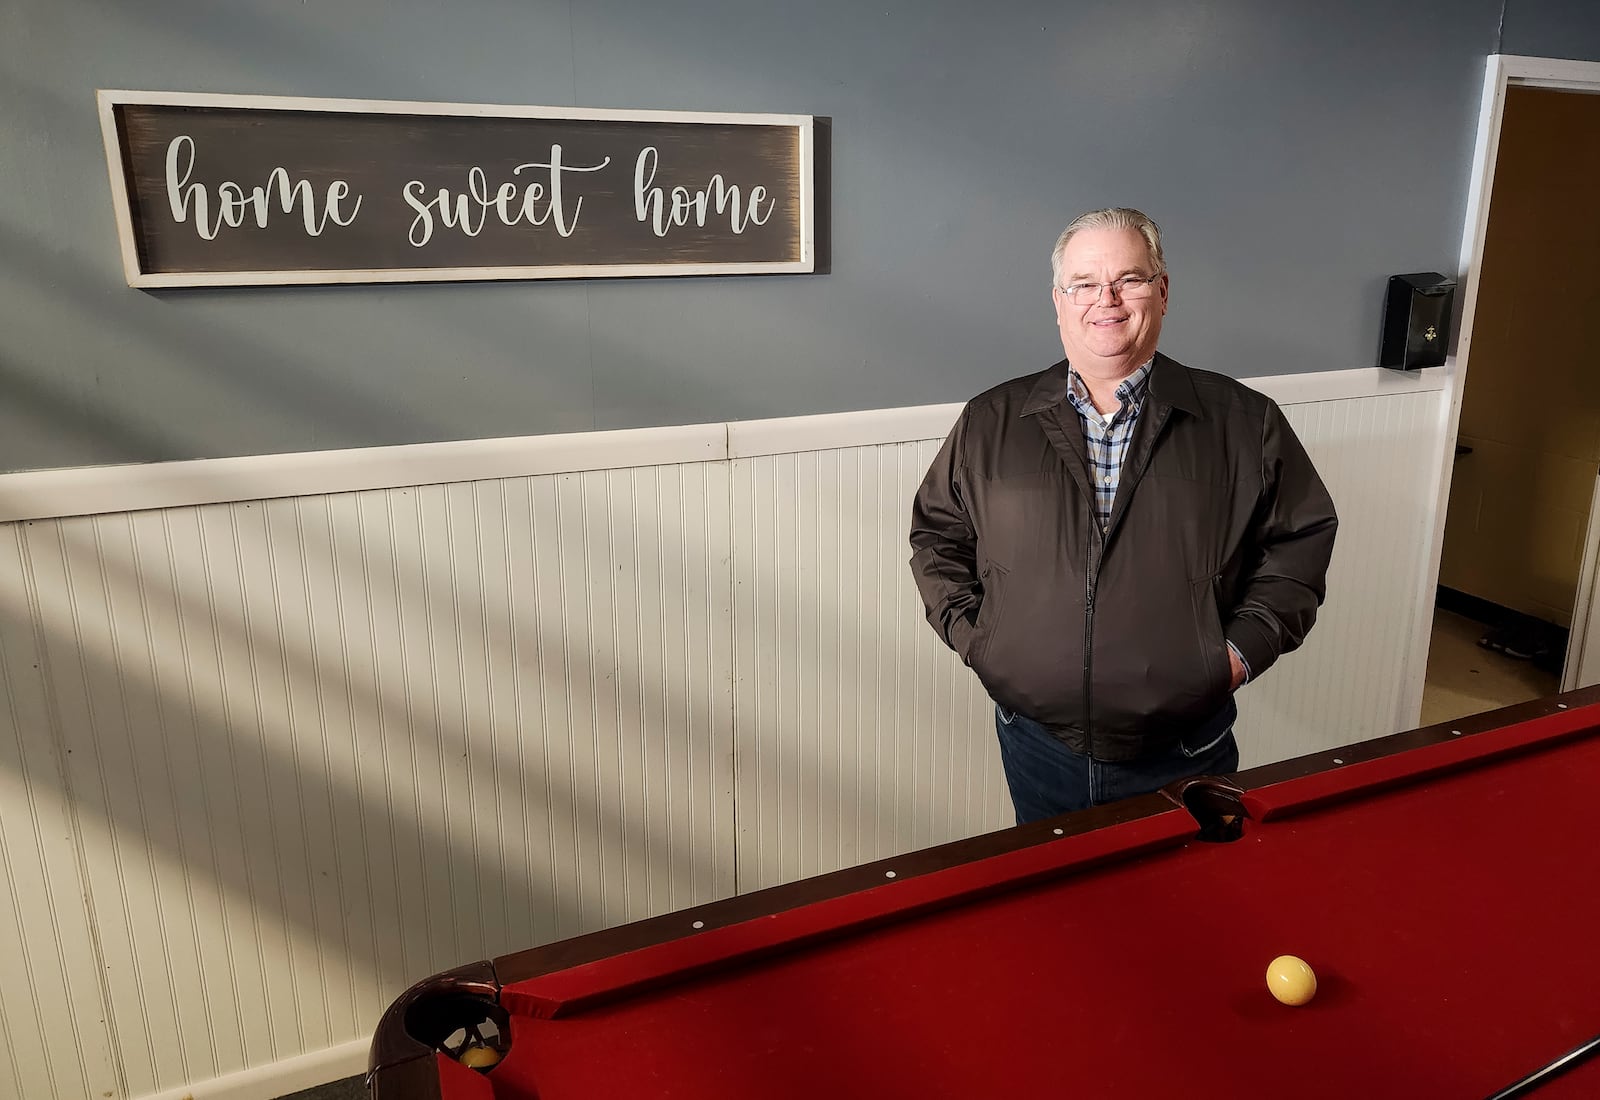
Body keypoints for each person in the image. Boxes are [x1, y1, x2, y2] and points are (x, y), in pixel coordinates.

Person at [908, 207, 1337, 824]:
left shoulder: (1246, 423)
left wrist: (1238, 653)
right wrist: (983, 644)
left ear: (1161, 291)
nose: (1105, 299)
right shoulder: (990, 421)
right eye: (1083, 283)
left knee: (1191, 907)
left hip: (1185, 744)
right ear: (1058, 300)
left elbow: (1300, 543)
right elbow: (938, 537)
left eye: (1129, 279)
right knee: (1062, 901)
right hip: (1034, 742)